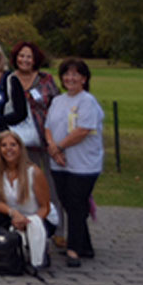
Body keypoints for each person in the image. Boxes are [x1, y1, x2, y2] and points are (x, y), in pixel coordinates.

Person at [45, 58, 103, 267]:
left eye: (75, 74)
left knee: (77, 204)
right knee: (69, 204)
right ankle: (84, 245)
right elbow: (48, 127)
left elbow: (83, 130)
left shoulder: (87, 101)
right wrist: (52, 147)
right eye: (67, 74)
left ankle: (74, 249)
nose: (70, 78)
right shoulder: (58, 101)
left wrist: (58, 147)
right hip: (60, 163)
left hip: (84, 164)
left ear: (84, 78)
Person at [10, 41, 64, 244]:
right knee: (26, 186)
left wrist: (56, 141)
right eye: (21, 56)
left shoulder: (45, 80)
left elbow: (57, 107)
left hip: (46, 140)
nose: (24, 60)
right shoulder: (9, 79)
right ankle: (31, 226)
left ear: (36, 60)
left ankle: (59, 229)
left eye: (29, 57)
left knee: (51, 185)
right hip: (19, 143)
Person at [0, 131, 59, 267]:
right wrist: (13, 214)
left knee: (32, 232)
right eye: (4, 145)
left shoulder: (34, 172)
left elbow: (45, 207)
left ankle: (41, 245)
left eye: (13, 145)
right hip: (16, 214)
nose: (8, 149)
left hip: (38, 217)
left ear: (20, 148)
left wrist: (28, 222)